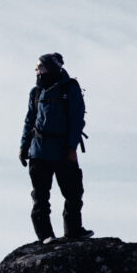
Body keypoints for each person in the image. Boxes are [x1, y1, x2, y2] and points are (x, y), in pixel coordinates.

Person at [18, 52, 92, 243]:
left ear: (49, 68)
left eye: (40, 67)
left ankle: (73, 230)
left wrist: (71, 148)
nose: (37, 71)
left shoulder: (69, 89)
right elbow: (29, 121)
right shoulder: (36, 93)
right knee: (40, 197)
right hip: (38, 152)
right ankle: (45, 236)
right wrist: (24, 146)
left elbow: (77, 120)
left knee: (73, 192)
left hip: (62, 151)